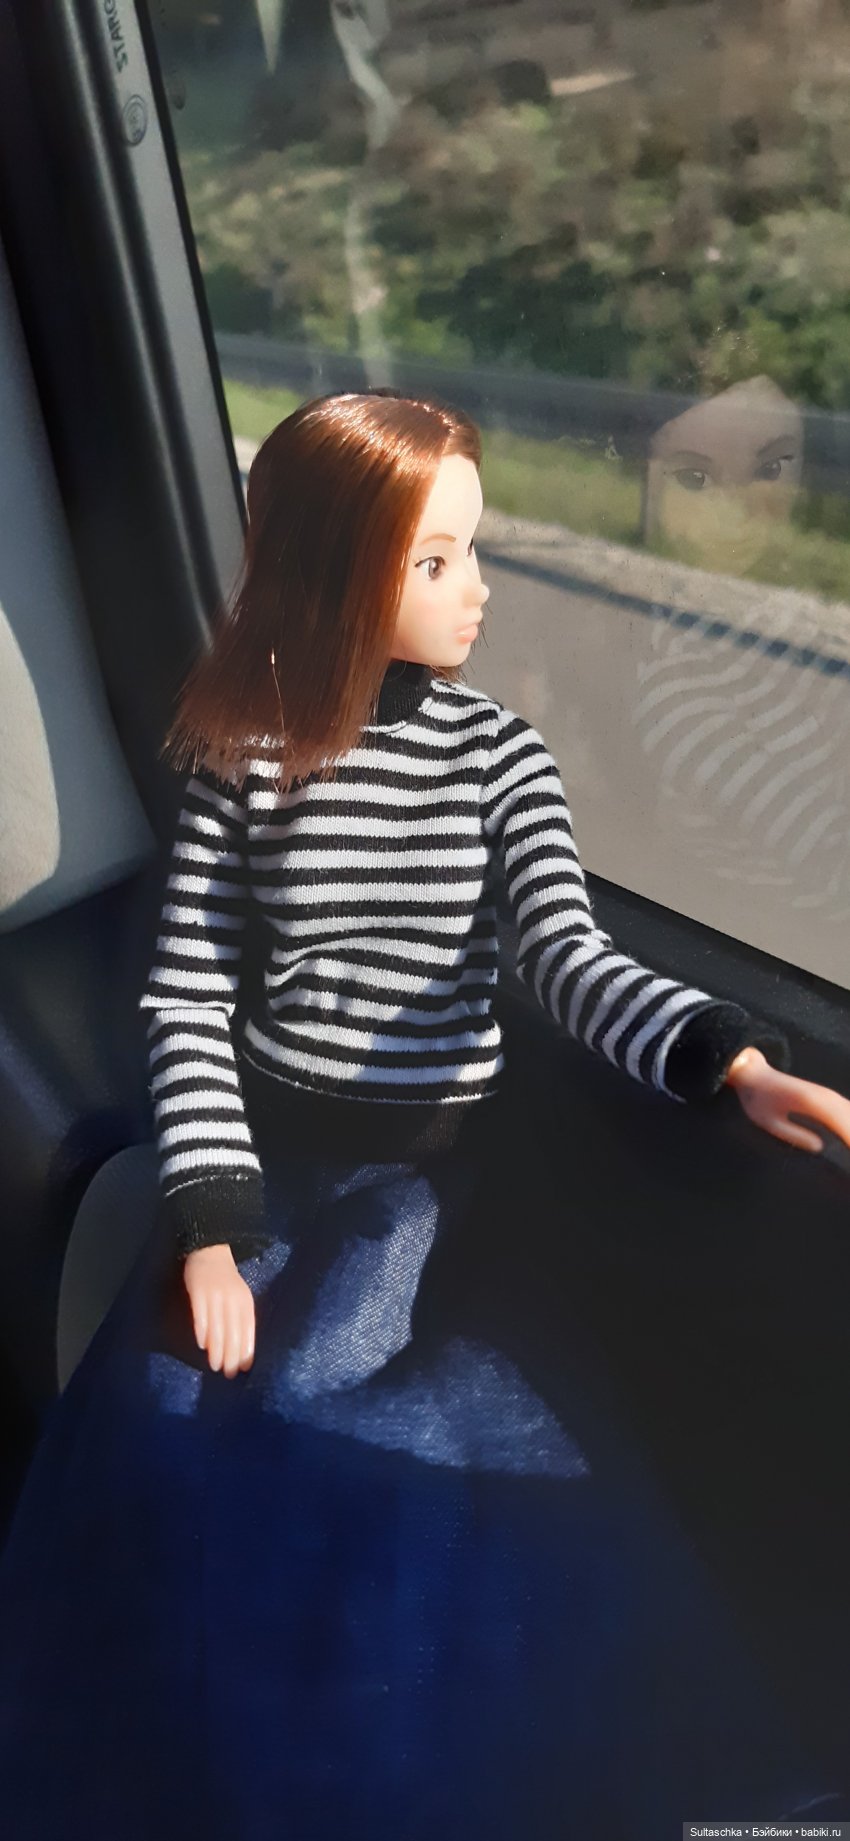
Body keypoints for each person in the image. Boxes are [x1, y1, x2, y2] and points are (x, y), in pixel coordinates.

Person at [0, 389, 848, 1840]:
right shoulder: (246, 761)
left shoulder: (497, 760)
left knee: (450, 1485)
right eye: (437, 560)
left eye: (474, 550)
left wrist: (728, 1059)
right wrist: (209, 1218)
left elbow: (565, 958)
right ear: (334, 573)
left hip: (432, 1202)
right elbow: (188, 996)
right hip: (270, 1183)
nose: (479, 590)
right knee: (191, 1464)